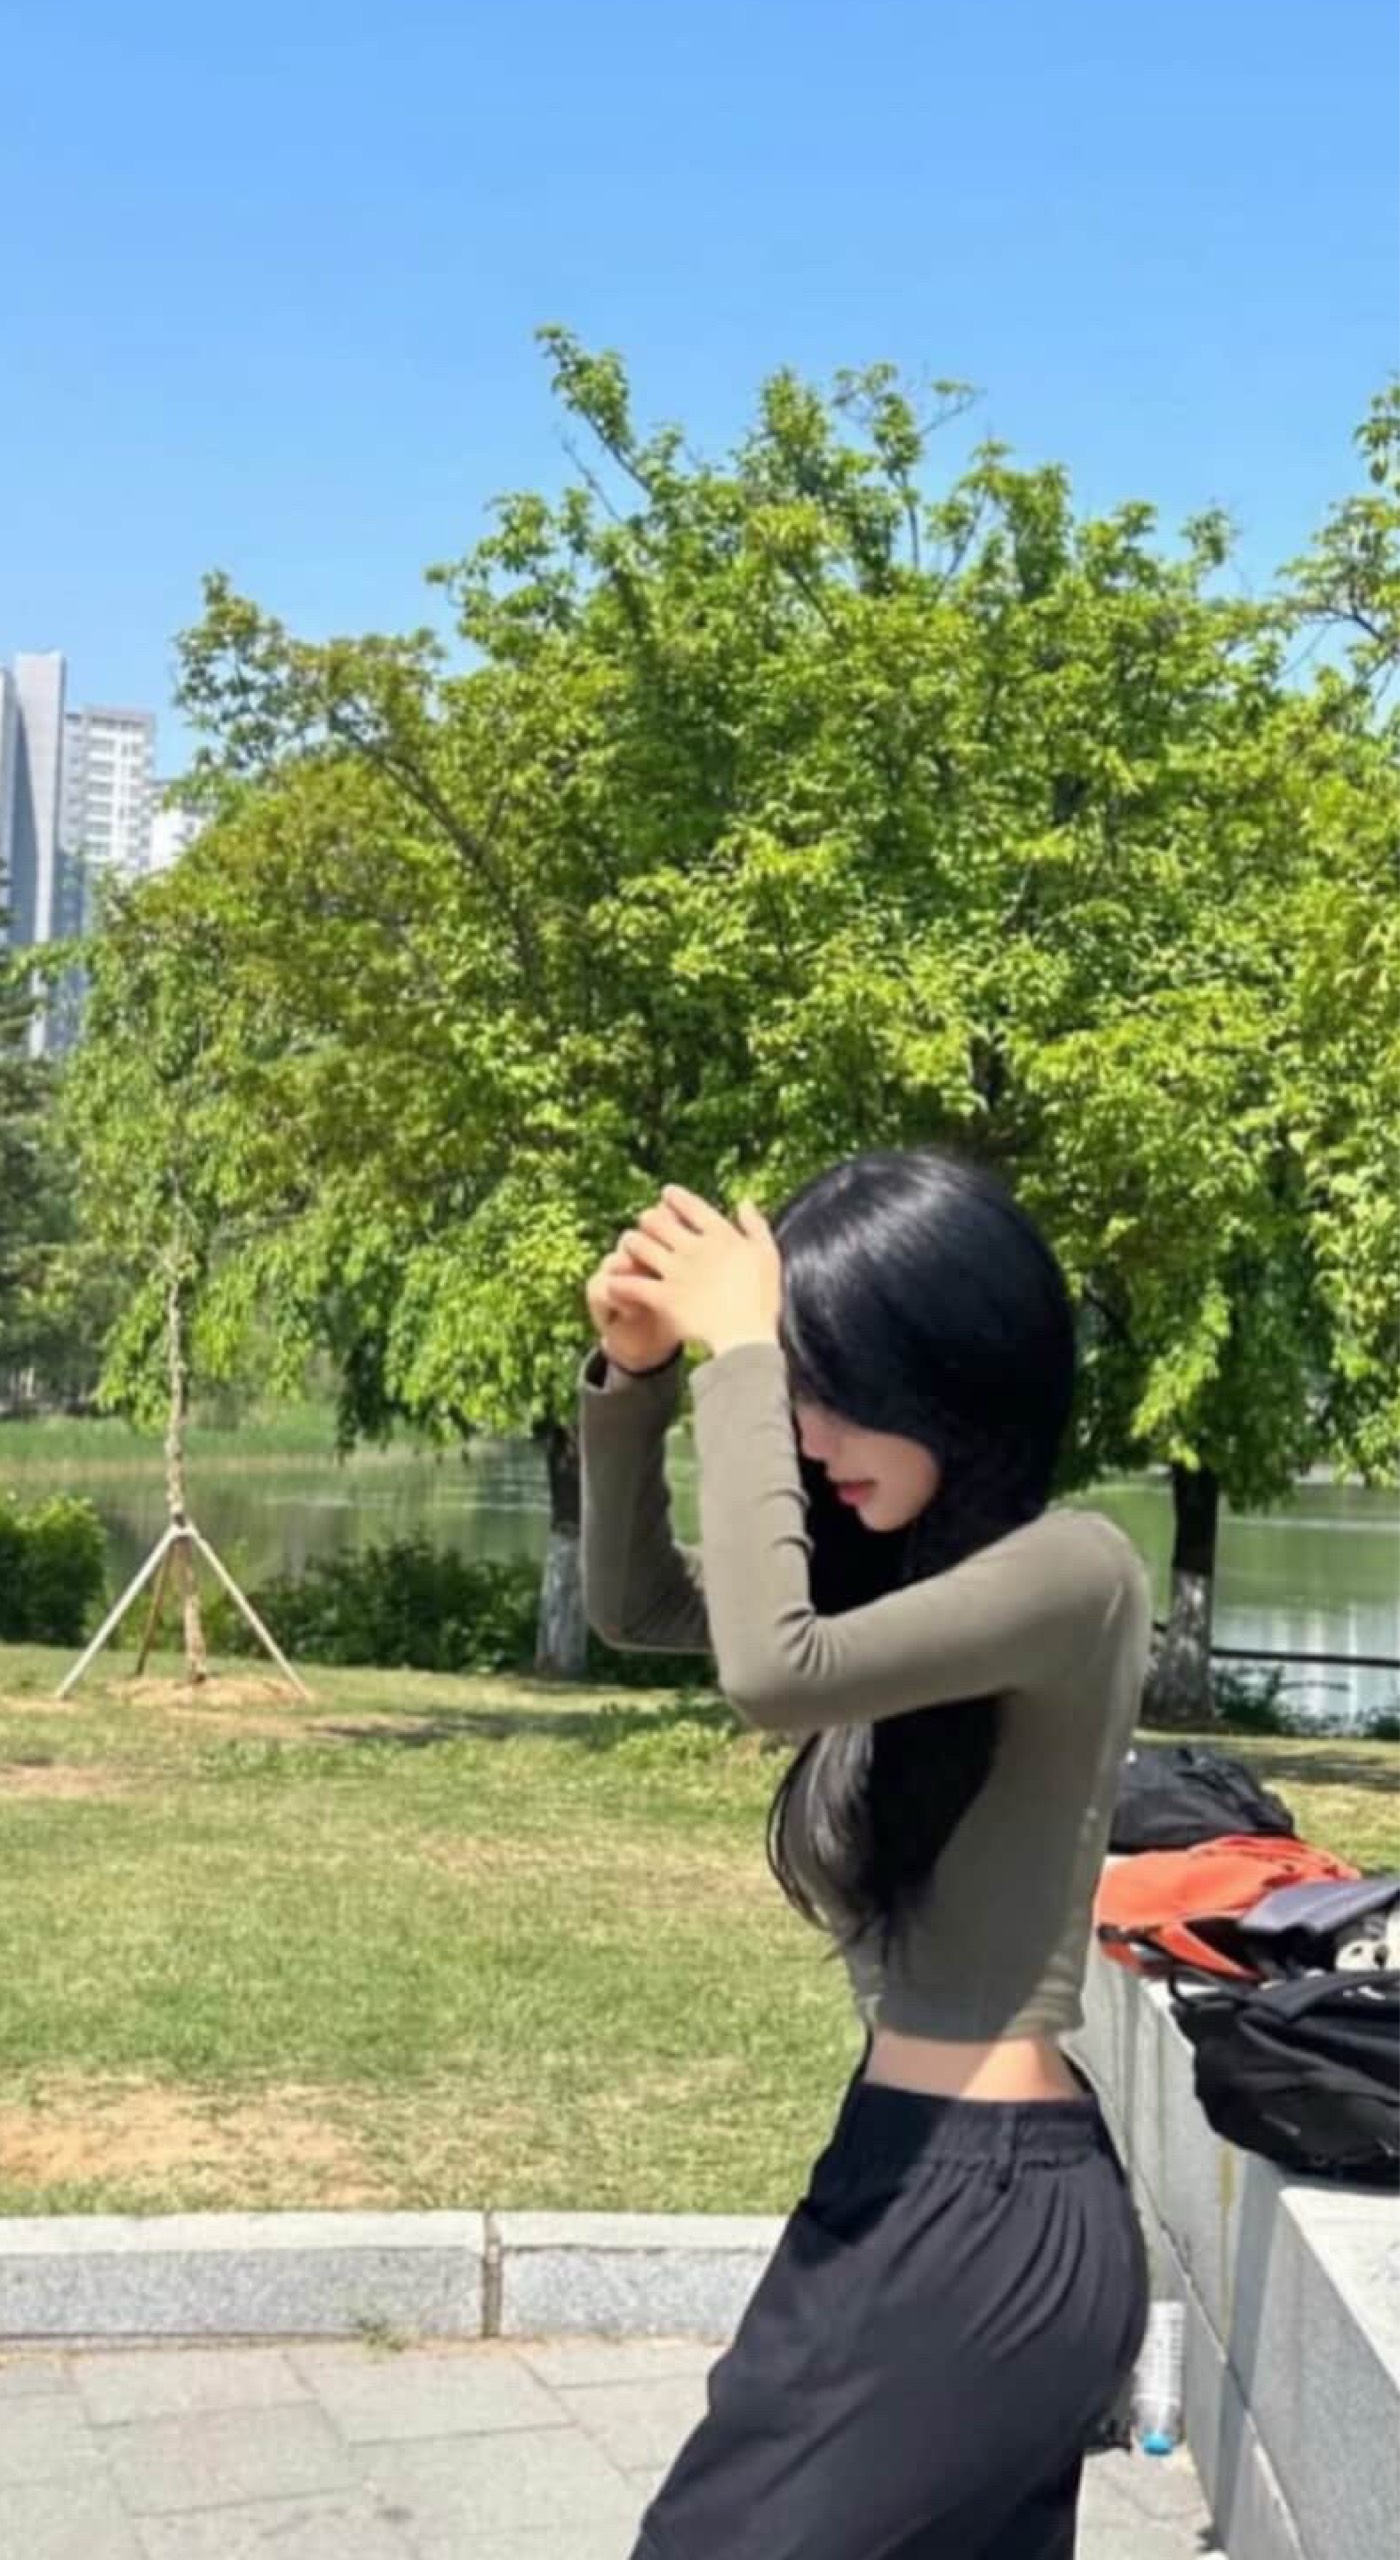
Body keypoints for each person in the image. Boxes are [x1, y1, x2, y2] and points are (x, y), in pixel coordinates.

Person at [580, 1147, 1152, 2560]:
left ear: (951, 1369)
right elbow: (637, 1606)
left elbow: (773, 1673)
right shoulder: (910, 1585)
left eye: (835, 1390)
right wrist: (636, 1377)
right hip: (907, 2171)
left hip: (988, 2210)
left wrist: (744, 1349)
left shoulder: (1079, 1572)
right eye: (797, 1388)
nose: (807, 1429)